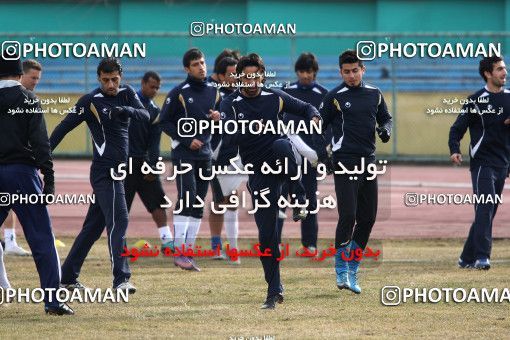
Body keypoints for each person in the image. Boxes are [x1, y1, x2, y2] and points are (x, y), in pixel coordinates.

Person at [220, 53, 321, 309]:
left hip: (282, 161)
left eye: (256, 76)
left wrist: (315, 115)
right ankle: (273, 289)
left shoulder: (275, 96)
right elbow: (229, 143)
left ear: (262, 77)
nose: (251, 81)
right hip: (259, 173)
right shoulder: (230, 104)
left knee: (281, 144)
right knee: (267, 237)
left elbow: (306, 107)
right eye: (246, 77)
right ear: (239, 78)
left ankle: (299, 197)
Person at [50, 57, 149, 293]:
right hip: (106, 172)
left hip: (120, 171)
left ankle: (67, 277)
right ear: (99, 79)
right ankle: (121, 279)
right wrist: (44, 154)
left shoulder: (127, 94)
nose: (111, 85)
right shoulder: (90, 101)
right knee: (120, 219)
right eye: (106, 80)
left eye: (114, 79)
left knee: (93, 228)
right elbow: (64, 127)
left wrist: (126, 109)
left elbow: (145, 115)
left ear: (120, 77)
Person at [0, 54, 73, 315]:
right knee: (41, 237)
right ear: (20, 74)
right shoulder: (28, 100)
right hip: (22, 174)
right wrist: (49, 178)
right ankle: (53, 300)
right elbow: (41, 143)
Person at [317, 50, 392, 294]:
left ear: (363, 70)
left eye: (355, 70)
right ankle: (340, 268)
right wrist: (324, 155)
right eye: (346, 71)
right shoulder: (334, 96)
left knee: (368, 218)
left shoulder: (374, 94)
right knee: (348, 215)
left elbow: (386, 119)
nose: (351, 75)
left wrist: (385, 130)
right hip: (344, 161)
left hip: (368, 161)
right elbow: (318, 127)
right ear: (341, 72)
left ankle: (353, 267)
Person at [160, 48, 221, 271]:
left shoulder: (215, 91)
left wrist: (218, 117)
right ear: (187, 68)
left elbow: (221, 120)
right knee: (187, 197)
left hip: (206, 155)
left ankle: (188, 251)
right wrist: (186, 140)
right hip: (184, 154)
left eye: (203, 62)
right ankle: (179, 253)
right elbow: (164, 122)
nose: (201, 67)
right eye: (195, 64)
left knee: (197, 203)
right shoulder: (178, 92)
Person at [449, 55, 510, 270]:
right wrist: (454, 149)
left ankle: (466, 257)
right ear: (488, 73)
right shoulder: (475, 100)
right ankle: (482, 256)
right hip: (482, 163)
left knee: (489, 210)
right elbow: (457, 129)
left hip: (503, 164)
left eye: (504, 68)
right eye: (500, 69)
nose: (504, 72)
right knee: (484, 208)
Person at [282, 52, 328, 254]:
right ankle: (274, 242)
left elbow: (330, 127)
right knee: (280, 198)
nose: (305, 75)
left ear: (315, 72)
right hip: (286, 155)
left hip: (310, 158)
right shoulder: (285, 92)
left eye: (309, 71)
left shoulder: (324, 94)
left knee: (309, 200)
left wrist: (320, 151)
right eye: (301, 71)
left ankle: (309, 244)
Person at [124, 71, 174, 252]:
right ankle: (119, 245)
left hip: (144, 164)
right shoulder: (127, 102)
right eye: (152, 86)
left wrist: (153, 167)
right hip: (124, 164)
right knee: (122, 208)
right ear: (143, 83)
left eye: (157, 88)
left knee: (158, 203)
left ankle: (167, 242)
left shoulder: (155, 111)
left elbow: (154, 144)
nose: (154, 90)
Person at [1, 59, 43, 256]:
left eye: (38, 78)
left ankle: (10, 242)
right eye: (33, 77)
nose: (35, 81)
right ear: (20, 75)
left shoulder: (28, 99)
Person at [208, 56, 243, 261]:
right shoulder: (215, 95)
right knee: (220, 201)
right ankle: (217, 247)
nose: (235, 78)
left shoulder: (242, 95)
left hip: (238, 154)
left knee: (232, 200)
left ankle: (233, 249)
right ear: (220, 76)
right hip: (218, 154)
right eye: (231, 74)